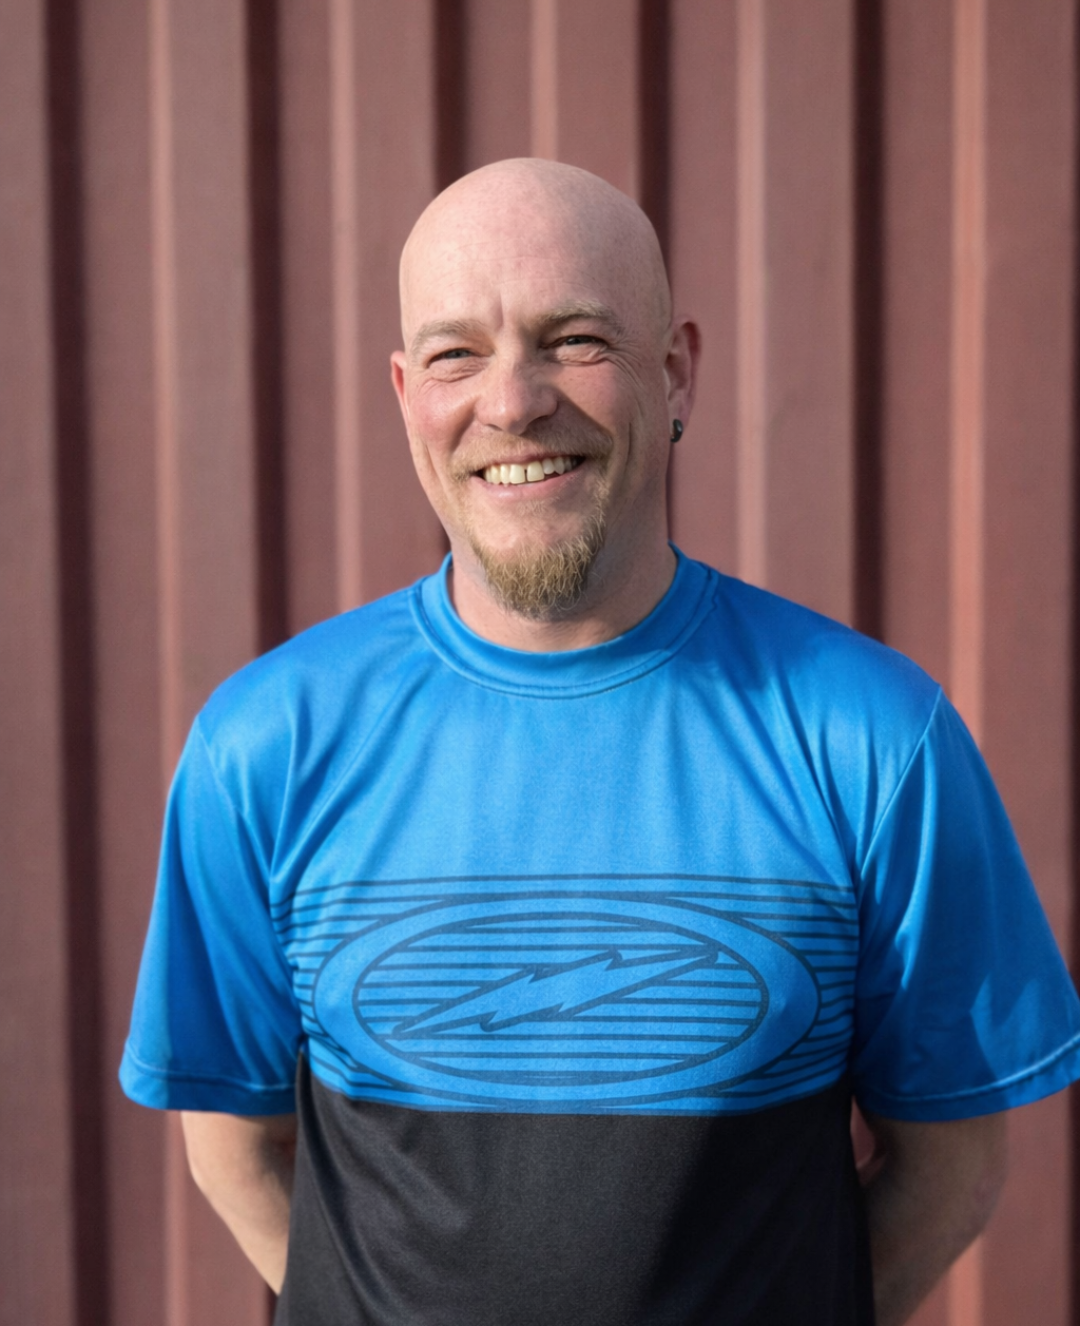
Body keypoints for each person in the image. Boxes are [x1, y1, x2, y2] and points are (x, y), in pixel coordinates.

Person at [121, 158, 1080, 1326]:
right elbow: (232, 1145)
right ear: (403, 392)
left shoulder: (876, 740)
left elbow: (953, 1167)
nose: (513, 403)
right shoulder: (264, 746)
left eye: (573, 339)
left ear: (675, 372)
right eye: (455, 353)